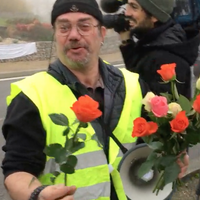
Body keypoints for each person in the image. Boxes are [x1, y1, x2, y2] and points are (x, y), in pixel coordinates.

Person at [1, 0, 188, 200]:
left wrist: (172, 155)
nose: (73, 35)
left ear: (101, 34)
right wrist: (37, 194)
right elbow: (17, 171)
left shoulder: (133, 84)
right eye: (64, 27)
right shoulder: (31, 95)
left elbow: (149, 148)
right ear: (55, 35)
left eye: (84, 26)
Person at [114, 0, 200, 99]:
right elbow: (137, 74)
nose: (127, 12)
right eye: (127, 5)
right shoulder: (152, 42)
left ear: (154, 16)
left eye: (134, 7)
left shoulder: (166, 59)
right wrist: (126, 41)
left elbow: (159, 111)